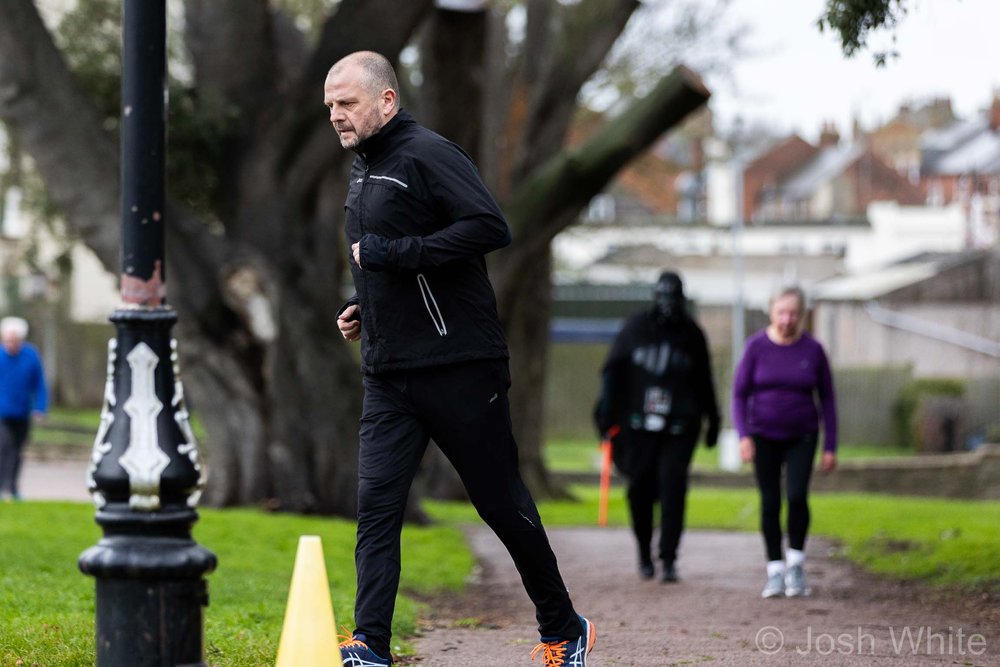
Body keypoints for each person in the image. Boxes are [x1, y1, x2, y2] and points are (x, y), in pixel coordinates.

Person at [324, 51, 595, 667]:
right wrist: (362, 308)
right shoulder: (364, 170)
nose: (337, 117)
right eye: (331, 108)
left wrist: (396, 254)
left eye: (347, 104)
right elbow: (382, 262)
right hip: (389, 374)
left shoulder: (428, 154)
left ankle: (563, 626)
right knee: (376, 509)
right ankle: (371, 644)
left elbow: (488, 227)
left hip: (459, 364)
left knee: (499, 501)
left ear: (386, 101)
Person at [593, 271, 720, 583]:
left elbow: (705, 380)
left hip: (680, 426)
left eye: (674, 297)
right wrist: (606, 415)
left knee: (673, 487)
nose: (668, 304)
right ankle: (643, 552)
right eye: (663, 296)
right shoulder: (635, 329)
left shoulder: (692, 335)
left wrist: (713, 419)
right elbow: (613, 372)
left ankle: (669, 557)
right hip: (637, 426)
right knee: (640, 489)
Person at [731, 286, 837, 599]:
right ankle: (775, 569)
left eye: (793, 313)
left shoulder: (813, 350)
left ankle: (797, 564)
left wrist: (830, 445)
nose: (787, 319)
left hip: (802, 435)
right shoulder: (756, 348)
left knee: (797, 497)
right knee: (770, 500)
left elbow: (828, 399)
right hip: (763, 435)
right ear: (771, 311)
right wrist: (743, 435)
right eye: (781, 312)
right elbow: (739, 394)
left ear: (802, 314)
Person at [0, 317, 47, 502]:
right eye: (7, 340)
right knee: (4, 447)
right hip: (2, 412)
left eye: (14, 340)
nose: (11, 344)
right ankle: (3, 486)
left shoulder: (31, 356)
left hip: (22, 412)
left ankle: (12, 487)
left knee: (18, 450)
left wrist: (39, 408)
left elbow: (40, 384)